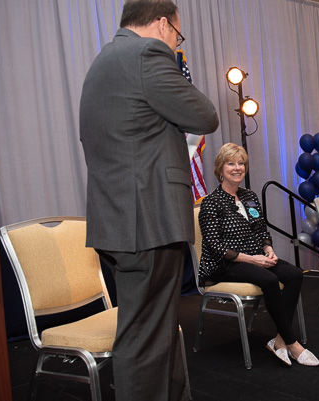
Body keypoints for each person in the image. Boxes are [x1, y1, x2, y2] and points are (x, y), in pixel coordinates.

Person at [79, 0, 219, 399]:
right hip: (148, 219)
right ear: (162, 24)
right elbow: (206, 115)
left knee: (155, 330)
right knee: (144, 339)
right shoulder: (145, 53)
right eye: (178, 34)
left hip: (119, 218)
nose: (177, 42)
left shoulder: (104, 61)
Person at [198, 143, 319, 367]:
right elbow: (215, 247)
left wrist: (268, 249)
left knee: (294, 274)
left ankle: (280, 341)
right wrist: (253, 259)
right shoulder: (210, 203)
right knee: (270, 279)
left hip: (255, 256)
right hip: (224, 264)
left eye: (241, 163)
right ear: (220, 168)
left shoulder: (249, 196)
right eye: (231, 163)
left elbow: (261, 228)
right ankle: (293, 343)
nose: (237, 168)